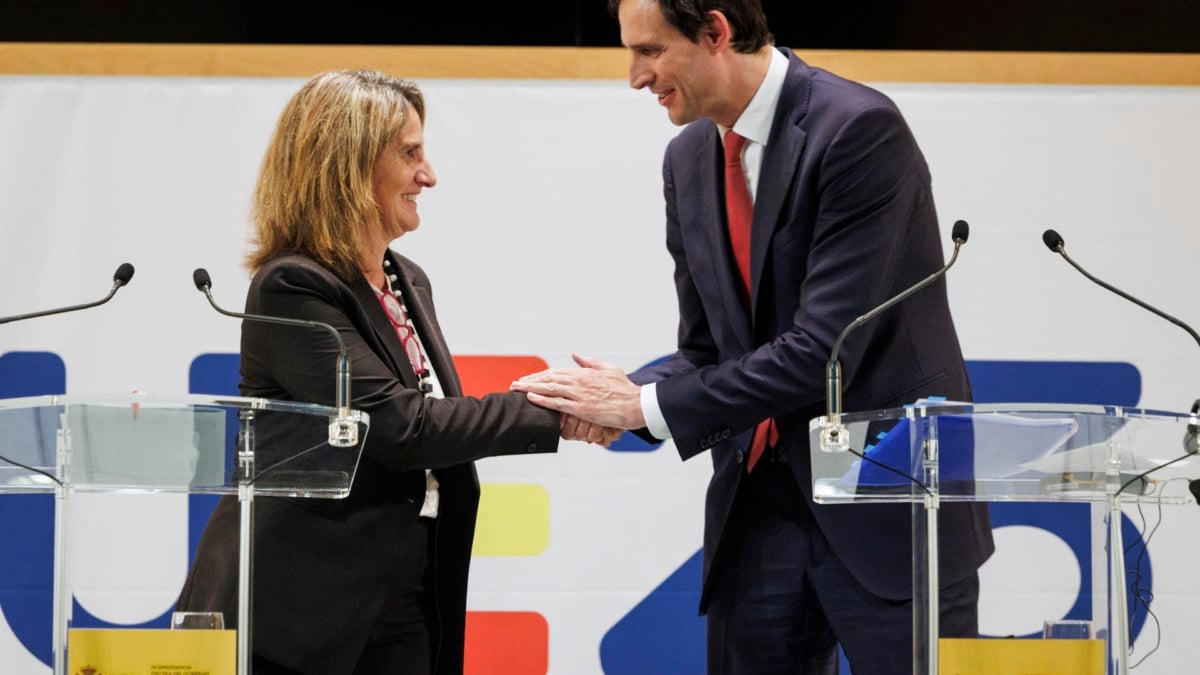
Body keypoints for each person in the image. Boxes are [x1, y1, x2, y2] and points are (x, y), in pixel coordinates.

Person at [510, 2, 994, 673]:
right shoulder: (686, 160)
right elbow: (710, 353)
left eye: (650, 51)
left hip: (889, 506)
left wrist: (642, 407)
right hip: (759, 510)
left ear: (715, 31)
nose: (634, 77)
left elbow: (820, 354)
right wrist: (627, 395)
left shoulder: (857, 130)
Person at [175, 69, 571, 675]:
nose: (429, 174)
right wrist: (559, 411)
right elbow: (399, 427)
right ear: (348, 166)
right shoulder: (292, 286)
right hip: (301, 609)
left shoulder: (406, 279)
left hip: (408, 588)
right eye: (409, 153)